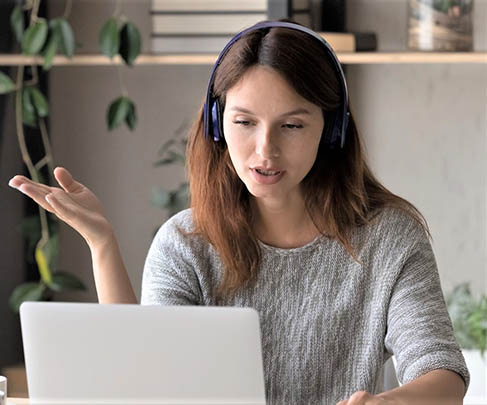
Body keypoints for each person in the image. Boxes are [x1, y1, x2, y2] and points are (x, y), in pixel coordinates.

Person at [8, 20, 469, 405]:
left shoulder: (390, 238)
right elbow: (148, 383)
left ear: (332, 132)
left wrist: (393, 403)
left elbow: (443, 372)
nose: (264, 150)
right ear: (216, 124)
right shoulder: (184, 244)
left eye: (292, 125)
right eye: (244, 122)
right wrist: (102, 244)